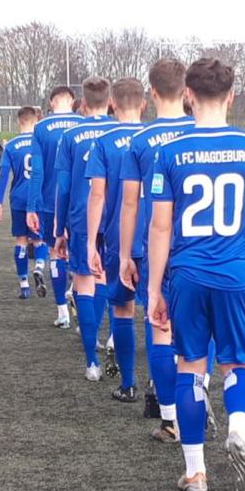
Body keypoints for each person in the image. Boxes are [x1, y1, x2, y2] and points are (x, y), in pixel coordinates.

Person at [147, 58, 245, 491]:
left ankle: (196, 473)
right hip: (234, 276)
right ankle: (239, 432)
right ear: (231, 96)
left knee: (190, 368)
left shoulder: (170, 151)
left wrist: (154, 288)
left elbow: (160, 227)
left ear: (188, 95)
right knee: (238, 365)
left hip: (186, 276)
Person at [117, 59, 202, 439]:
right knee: (197, 335)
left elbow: (131, 203)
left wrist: (124, 254)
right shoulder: (202, 131)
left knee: (159, 326)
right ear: (186, 91)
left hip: (158, 248)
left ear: (152, 93)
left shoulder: (140, 140)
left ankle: (170, 418)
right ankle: (196, 400)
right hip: (199, 249)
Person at [54, 76, 120, 383]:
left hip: (82, 217)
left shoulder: (71, 135)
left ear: (82, 103)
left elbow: (64, 186)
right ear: (109, 102)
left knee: (84, 281)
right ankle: (112, 338)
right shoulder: (122, 132)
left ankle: (92, 362)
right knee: (109, 277)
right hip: (118, 216)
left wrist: (59, 226)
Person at [85, 77, 147, 400]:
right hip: (158, 240)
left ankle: (128, 384)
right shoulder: (156, 138)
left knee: (122, 310)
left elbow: (97, 195)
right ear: (144, 104)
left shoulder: (104, 141)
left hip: (117, 239)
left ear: (112, 105)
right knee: (158, 313)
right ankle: (161, 388)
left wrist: (90, 240)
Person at [26, 86, 83, 328]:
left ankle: (62, 312)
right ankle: (79, 299)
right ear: (72, 101)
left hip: (51, 201)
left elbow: (36, 171)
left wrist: (31, 206)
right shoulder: (84, 124)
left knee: (54, 252)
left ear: (51, 103)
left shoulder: (41, 128)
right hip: (81, 201)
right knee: (82, 255)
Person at [0, 106, 41, 299]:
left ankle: (24, 284)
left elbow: (4, 175)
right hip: (38, 197)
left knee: (21, 240)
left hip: (19, 198)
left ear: (19, 121)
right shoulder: (42, 143)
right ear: (36, 120)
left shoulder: (11, 145)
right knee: (39, 239)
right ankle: (39, 266)